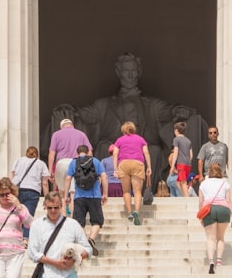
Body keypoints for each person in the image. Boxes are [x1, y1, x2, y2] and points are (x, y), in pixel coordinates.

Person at [57, 52, 207, 188]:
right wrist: (70, 109)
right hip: (112, 147)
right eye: (125, 71)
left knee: (153, 150)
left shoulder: (152, 105)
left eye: (133, 71)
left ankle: (147, 189)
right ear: (118, 72)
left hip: (142, 148)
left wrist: (178, 110)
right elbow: (84, 113)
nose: (130, 75)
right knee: (104, 147)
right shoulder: (104, 104)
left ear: (139, 72)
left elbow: (168, 111)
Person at [64, 144, 108, 256]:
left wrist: (66, 195)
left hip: (79, 196)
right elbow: (104, 177)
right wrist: (105, 193)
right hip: (95, 196)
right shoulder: (96, 161)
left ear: (77, 152)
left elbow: (68, 178)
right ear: (88, 152)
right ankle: (91, 239)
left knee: (79, 222)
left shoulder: (74, 162)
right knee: (97, 221)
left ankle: (85, 243)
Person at [198, 162, 232, 273]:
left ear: (209, 172)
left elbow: (201, 202)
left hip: (209, 209)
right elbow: (228, 201)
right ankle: (219, 260)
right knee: (220, 237)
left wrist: (201, 215)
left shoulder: (203, 184)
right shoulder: (225, 183)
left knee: (210, 238)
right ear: (220, 172)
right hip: (223, 209)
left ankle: (211, 262)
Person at [112, 120, 151, 226]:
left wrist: (115, 168)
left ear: (123, 130)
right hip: (138, 163)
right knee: (137, 191)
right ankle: (137, 212)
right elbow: (146, 152)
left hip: (123, 163)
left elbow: (115, 154)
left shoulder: (119, 140)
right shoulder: (141, 139)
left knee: (126, 191)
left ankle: (129, 212)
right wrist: (149, 167)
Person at [10, 146, 49, 238]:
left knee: (16, 214)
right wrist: (47, 198)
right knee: (28, 215)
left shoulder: (19, 160)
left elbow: (12, 175)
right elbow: (45, 183)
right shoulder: (41, 163)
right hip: (33, 190)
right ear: (37, 154)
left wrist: (10, 189)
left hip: (17, 189)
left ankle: (15, 235)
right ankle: (25, 239)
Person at [47, 118, 91, 196]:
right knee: (73, 192)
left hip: (61, 163)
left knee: (62, 191)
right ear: (72, 125)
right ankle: (73, 207)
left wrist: (50, 170)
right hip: (77, 163)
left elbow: (52, 153)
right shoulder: (81, 134)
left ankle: (63, 207)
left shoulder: (56, 134)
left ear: (61, 127)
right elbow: (89, 151)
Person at [169, 121, 193, 198]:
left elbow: (175, 153)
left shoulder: (176, 139)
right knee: (178, 182)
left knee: (183, 182)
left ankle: (187, 199)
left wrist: (172, 166)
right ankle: (185, 195)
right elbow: (191, 155)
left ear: (176, 130)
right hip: (188, 163)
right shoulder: (188, 141)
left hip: (181, 163)